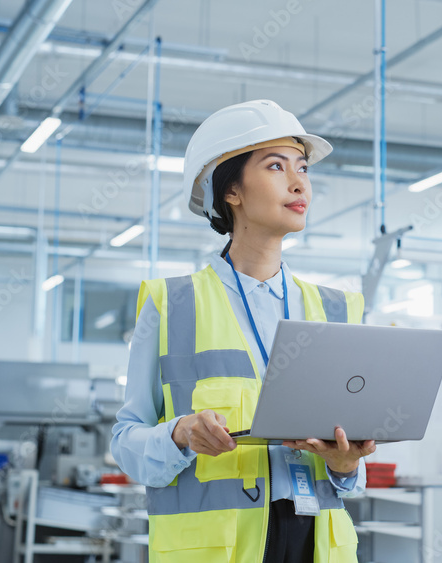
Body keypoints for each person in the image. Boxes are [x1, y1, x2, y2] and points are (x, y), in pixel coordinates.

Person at [111, 99, 375, 563]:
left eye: (303, 168)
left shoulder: (338, 309)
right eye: (276, 166)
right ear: (230, 190)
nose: (299, 183)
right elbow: (127, 443)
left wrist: (346, 464)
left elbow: (349, 468)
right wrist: (180, 433)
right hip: (218, 550)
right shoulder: (171, 304)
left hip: (319, 545)